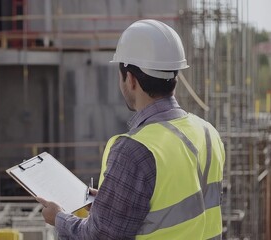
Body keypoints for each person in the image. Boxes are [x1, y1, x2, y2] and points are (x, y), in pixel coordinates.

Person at [36, 19, 225, 239]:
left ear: (130, 79)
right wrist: (110, 204)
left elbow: (101, 236)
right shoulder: (208, 133)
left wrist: (58, 218)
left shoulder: (134, 150)